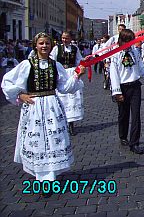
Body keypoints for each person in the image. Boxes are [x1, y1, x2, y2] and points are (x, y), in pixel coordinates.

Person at [1, 32, 85, 194]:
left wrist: (76, 76)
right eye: (41, 43)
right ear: (36, 45)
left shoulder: (55, 65)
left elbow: (64, 87)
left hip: (52, 105)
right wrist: (20, 95)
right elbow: (7, 81)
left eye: (47, 43)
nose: (44, 46)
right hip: (34, 106)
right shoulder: (27, 64)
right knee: (38, 139)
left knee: (54, 139)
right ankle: (43, 178)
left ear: (51, 45)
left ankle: (50, 176)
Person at [110, 29, 144, 154]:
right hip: (122, 87)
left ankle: (134, 142)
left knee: (136, 115)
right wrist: (117, 92)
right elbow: (114, 74)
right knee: (123, 114)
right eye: (127, 41)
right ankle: (123, 136)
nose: (130, 44)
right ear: (122, 41)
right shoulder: (116, 54)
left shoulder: (135, 52)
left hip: (135, 87)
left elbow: (141, 69)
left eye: (131, 41)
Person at [50, 31, 84, 136]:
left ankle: (71, 124)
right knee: (62, 98)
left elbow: (79, 60)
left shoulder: (75, 48)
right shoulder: (57, 48)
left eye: (67, 38)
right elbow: (52, 60)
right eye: (63, 38)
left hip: (72, 73)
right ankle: (62, 122)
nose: (64, 40)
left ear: (70, 38)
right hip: (61, 74)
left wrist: (83, 65)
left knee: (72, 99)